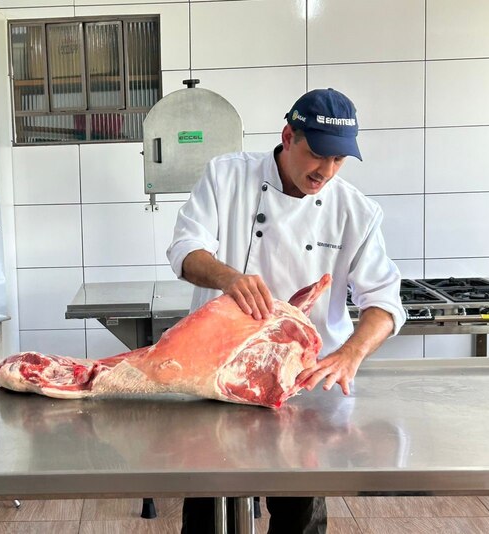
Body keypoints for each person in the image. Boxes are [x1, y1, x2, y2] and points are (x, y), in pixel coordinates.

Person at [166, 88, 407, 534]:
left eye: (339, 161)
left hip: (303, 384)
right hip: (220, 374)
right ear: (288, 136)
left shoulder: (355, 211)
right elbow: (185, 249)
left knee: (300, 517)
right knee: (207, 512)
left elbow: (385, 301)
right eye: (318, 155)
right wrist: (228, 278)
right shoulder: (227, 176)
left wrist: (351, 354)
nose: (327, 171)